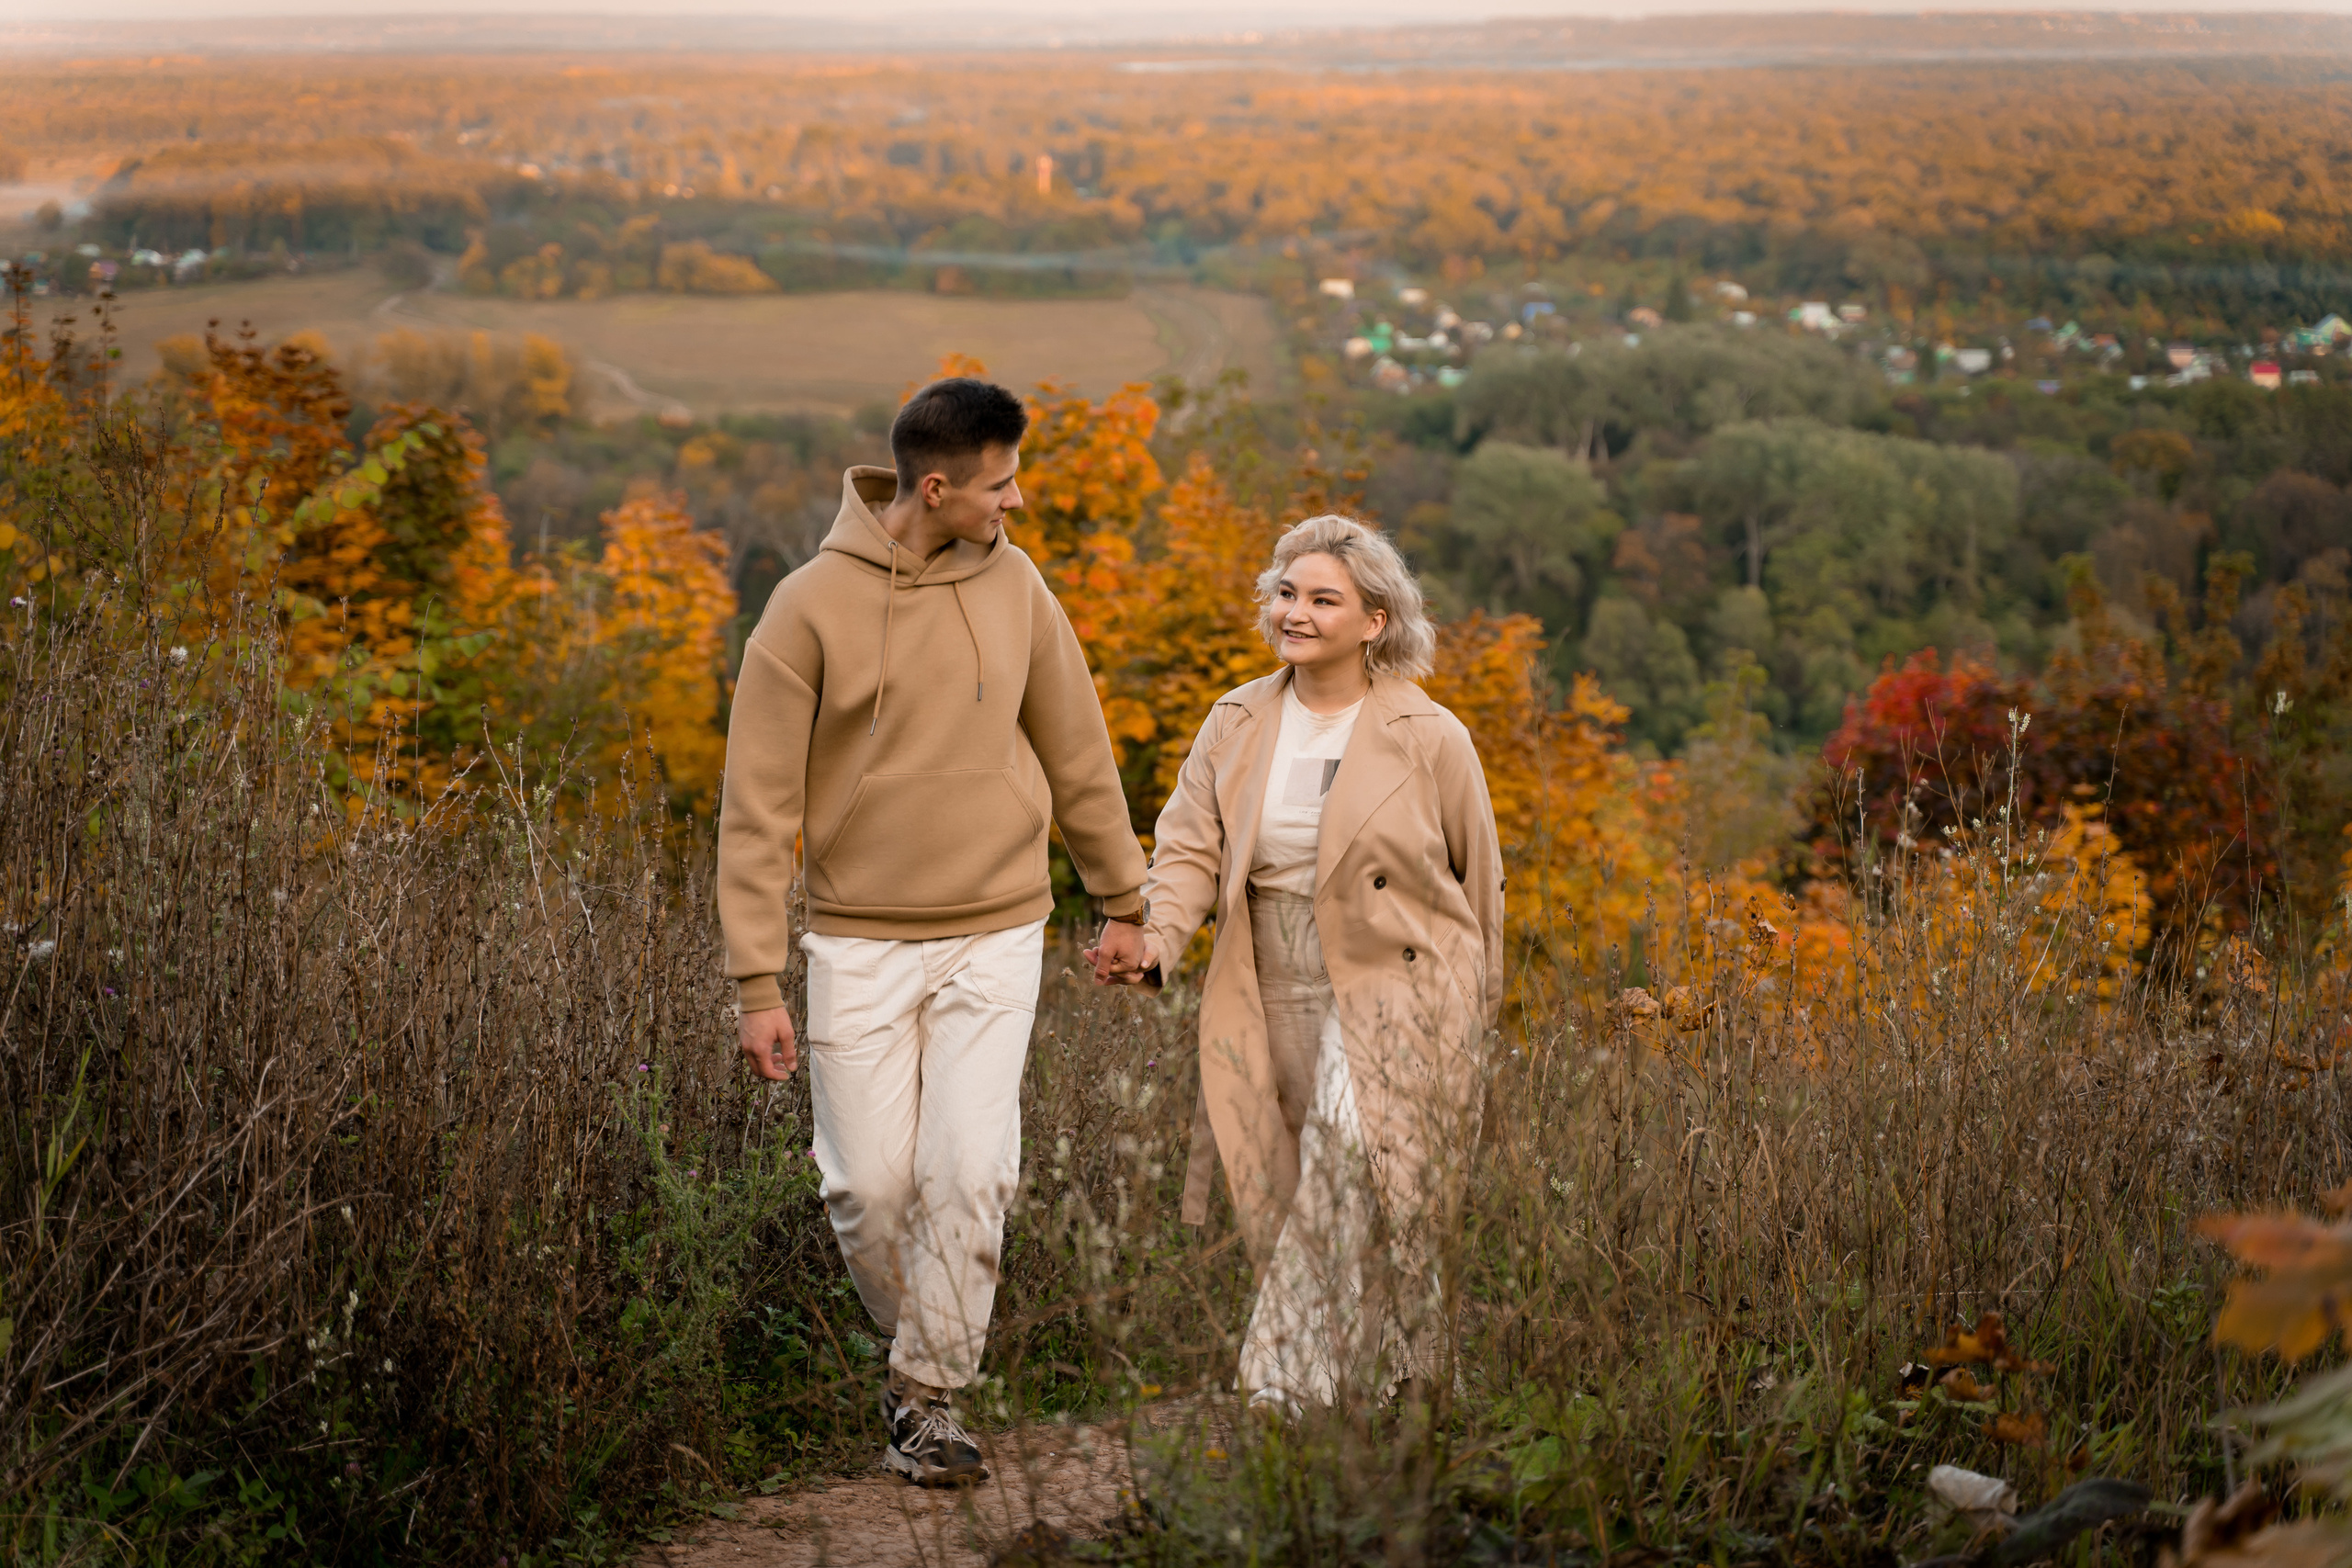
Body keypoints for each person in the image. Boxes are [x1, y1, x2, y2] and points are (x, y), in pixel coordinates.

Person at [720, 377, 1152, 1485]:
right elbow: (758, 807)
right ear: (937, 486)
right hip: (856, 940)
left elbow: (1077, 749)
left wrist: (1124, 900)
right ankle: (922, 1356)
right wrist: (753, 979)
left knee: (972, 1171)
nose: (1018, 503)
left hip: (996, 928)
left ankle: (926, 1398)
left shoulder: (1018, 588)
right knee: (865, 1186)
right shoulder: (806, 606)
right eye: (1002, 485)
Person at [1090, 514, 1504, 1415]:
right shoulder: (1234, 720)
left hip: (1400, 981)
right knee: (1283, 1188)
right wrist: (1157, 941)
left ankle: (1282, 1383)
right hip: (1264, 974)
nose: (1296, 612)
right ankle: (1402, 1377)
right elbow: (1188, 851)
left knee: (1355, 1165)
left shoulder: (1432, 736)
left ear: (1374, 623)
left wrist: (1471, 1016)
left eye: (1323, 599)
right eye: (1286, 593)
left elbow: (1481, 888)